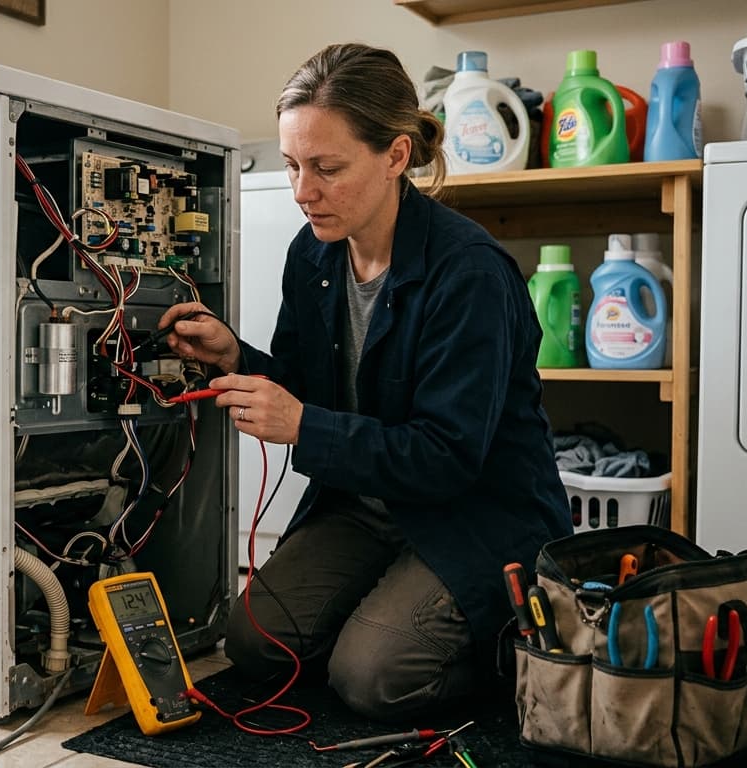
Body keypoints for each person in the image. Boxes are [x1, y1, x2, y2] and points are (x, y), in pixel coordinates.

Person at [158, 43, 571, 720]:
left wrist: (303, 426)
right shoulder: (313, 252)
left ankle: (510, 638)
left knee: (373, 678)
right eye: (292, 166)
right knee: (254, 645)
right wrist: (236, 356)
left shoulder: (469, 275)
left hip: (474, 513)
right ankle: (391, 610)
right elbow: (303, 387)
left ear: (396, 156)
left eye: (327, 168)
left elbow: (446, 456)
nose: (302, 192)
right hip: (366, 504)